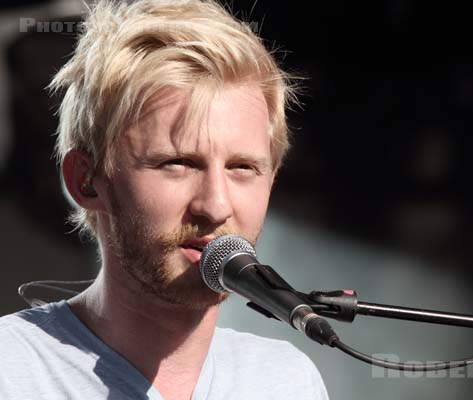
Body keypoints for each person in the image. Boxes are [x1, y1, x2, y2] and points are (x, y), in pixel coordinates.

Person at [0, 0, 329, 399]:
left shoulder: (287, 379)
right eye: (178, 163)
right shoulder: (12, 369)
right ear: (86, 181)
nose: (216, 206)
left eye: (242, 167)